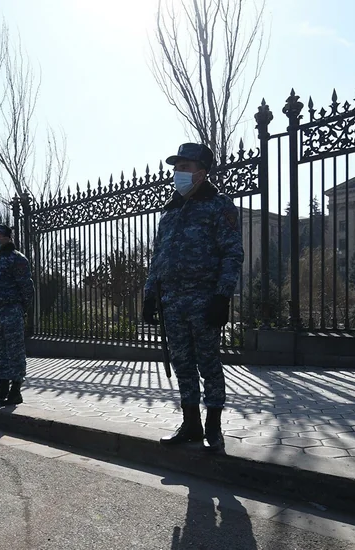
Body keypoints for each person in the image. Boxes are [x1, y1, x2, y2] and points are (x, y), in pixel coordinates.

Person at [142, 143, 244, 453]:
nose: (177, 173)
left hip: (204, 298)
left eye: (184, 167)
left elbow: (232, 253)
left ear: (201, 171)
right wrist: (149, 294)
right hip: (172, 300)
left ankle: (213, 426)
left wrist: (222, 297)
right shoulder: (170, 210)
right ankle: (190, 423)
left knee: (208, 363)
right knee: (182, 363)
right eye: (176, 167)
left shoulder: (218, 205)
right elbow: (159, 255)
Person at [0, 224, 35, 406]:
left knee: (14, 351)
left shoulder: (17, 259)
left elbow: (27, 288)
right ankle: (3, 389)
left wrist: (20, 309)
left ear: (7, 237)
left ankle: (16, 391)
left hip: (11, 310)